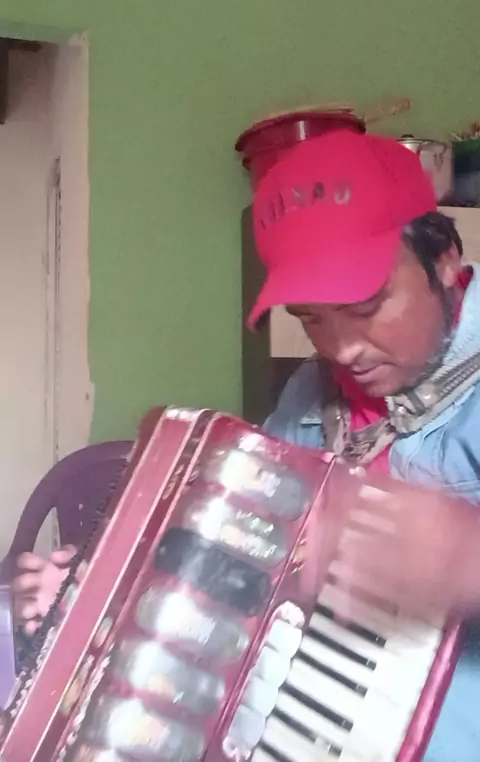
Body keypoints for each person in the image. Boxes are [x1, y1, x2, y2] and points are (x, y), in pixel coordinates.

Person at [12, 130, 480, 759]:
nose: (342, 349)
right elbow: (261, 573)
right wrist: (96, 607)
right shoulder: (310, 396)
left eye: (365, 306)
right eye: (311, 318)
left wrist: (465, 559)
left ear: (445, 259)